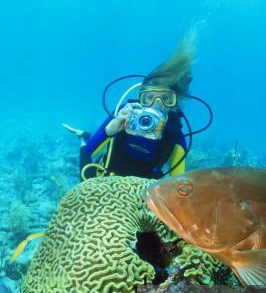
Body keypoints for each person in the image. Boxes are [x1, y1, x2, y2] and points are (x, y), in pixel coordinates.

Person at [64, 32, 198, 181]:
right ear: (141, 98)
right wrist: (110, 130)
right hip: (106, 177)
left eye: (166, 99)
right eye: (149, 98)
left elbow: (177, 183)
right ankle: (83, 136)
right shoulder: (125, 114)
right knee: (85, 174)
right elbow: (89, 153)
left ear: (175, 102)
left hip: (142, 193)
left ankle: (87, 134)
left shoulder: (174, 135)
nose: (156, 105)